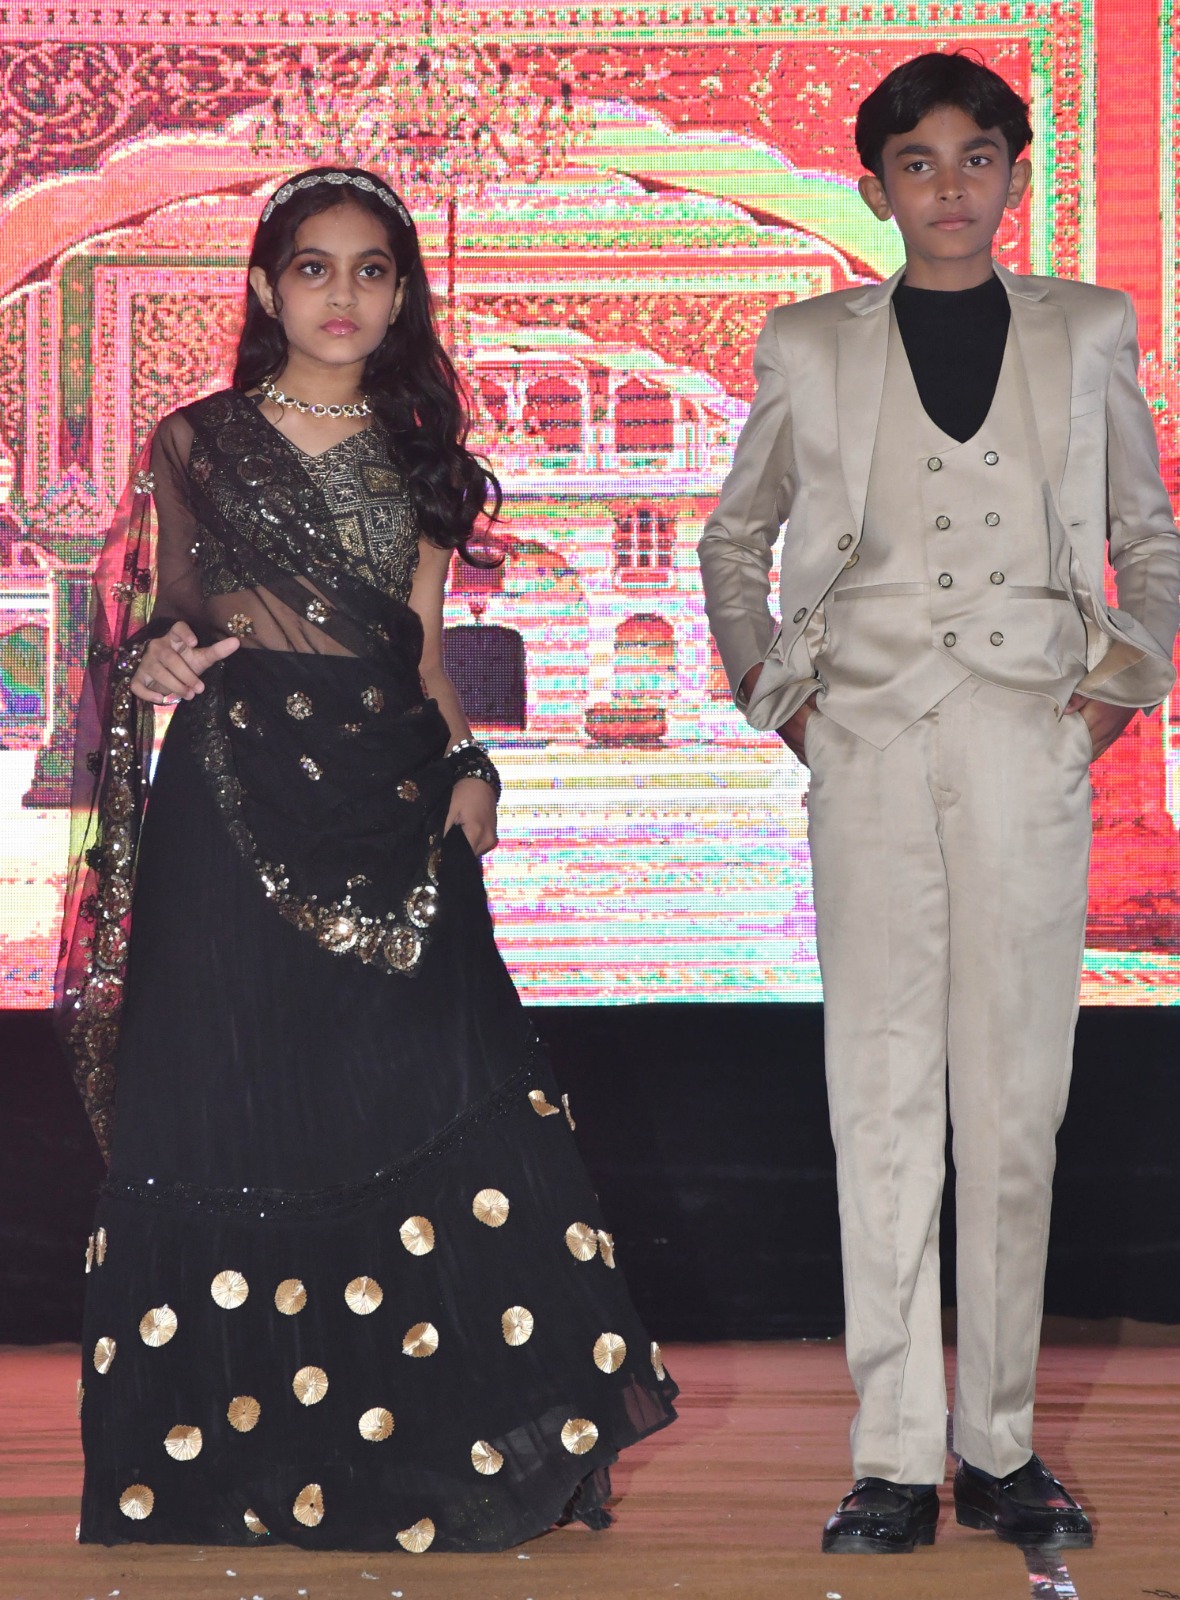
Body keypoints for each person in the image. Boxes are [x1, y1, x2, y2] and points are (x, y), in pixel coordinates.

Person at [59, 166, 676, 1553]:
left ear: (403, 297)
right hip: (233, 802)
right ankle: (229, 1464)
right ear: (266, 288)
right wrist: (154, 661)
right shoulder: (195, 442)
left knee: (431, 1092)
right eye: (315, 267)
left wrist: (471, 768)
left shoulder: (420, 458)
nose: (343, 294)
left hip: (393, 806)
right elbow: (170, 621)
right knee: (231, 1102)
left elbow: (425, 650)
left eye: (373, 270)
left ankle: (448, 1450)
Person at [699, 53, 1180, 1555]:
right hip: (867, 740)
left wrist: (1113, 696)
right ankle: (895, 1458)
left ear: (1017, 177)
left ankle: (1002, 1445)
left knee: (1017, 1102)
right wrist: (780, 694)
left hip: (1029, 737)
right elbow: (734, 537)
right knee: (882, 1092)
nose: (952, 186)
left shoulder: (1087, 327)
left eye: (980, 158)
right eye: (920, 162)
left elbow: (1148, 533)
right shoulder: (810, 340)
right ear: (877, 187)